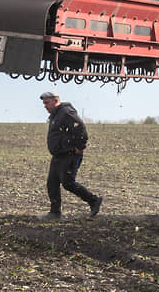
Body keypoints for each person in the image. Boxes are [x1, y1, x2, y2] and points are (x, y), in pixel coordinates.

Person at [39, 91, 102, 220]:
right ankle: (55, 213)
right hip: (58, 154)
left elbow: (80, 129)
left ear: (55, 101)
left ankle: (94, 200)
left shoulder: (66, 113)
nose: (45, 106)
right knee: (52, 183)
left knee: (68, 183)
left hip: (69, 154)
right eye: (44, 103)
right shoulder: (55, 115)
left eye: (47, 103)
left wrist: (79, 147)